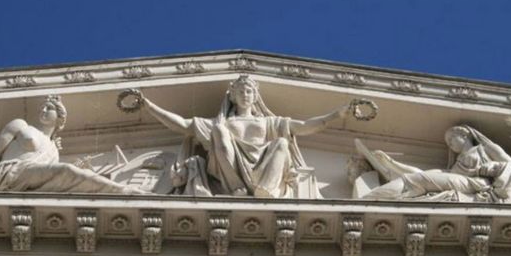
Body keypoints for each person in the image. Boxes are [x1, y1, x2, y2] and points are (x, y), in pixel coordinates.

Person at [140, 75, 352, 198]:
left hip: (263, 173)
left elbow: (305, 126)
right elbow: (182, 125)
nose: (245, 95)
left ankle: (265, 190)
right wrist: (148, 106)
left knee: (281, 143)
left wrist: (337, 115)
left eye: (249, 91)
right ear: (232, 96)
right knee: (220, 131)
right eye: (240, 92)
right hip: (230, 175)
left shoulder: (269, 123)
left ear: (255, 96)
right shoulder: (220, 124)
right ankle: (237, 186)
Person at [0, 95, 143, 194]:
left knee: (69, 172)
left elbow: (48, 174)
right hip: (10, 172)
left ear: (60, 119)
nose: (43, 109)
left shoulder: (53, 149)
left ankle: (118, 191)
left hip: (28, 178)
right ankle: (122, 191)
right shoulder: (21, 125)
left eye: (49, 108)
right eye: (43, 107)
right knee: (66, 171)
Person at [356, 125, 511, 202]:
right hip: (462, 182)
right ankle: (374, 198)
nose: (449, 144)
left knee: (418, 180)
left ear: (464, 134)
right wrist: (391, 163)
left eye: (451, 139)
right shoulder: (456, 165)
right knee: (417, 178)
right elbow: (425, 173)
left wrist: (491, 169)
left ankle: (370, 199)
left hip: (475, 184)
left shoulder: (485, 149)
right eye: (448, 141)